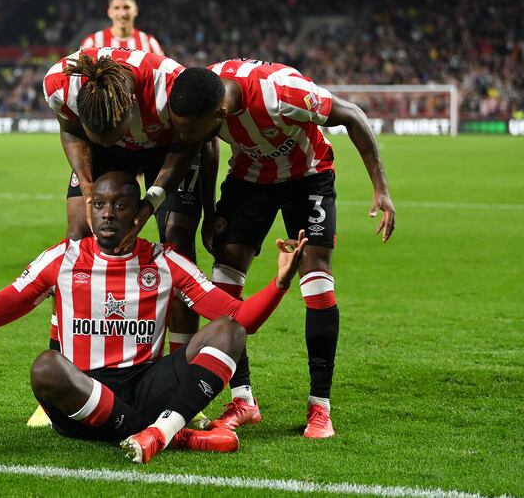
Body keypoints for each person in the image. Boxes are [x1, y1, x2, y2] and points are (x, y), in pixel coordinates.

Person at [0, 171, 307, 464]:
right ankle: (172, 432)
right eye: (100, 204)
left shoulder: (164, 261)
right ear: (89, 210)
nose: (108, 213)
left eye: (120, 205)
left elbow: (240, 318)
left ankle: (158, 434)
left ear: (138, 213)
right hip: (84, 396)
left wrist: (281, 282)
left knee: (228, 333)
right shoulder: (62, 259)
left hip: (146, 384)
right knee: (46, 368)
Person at [167, 60, 397, 438]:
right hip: (248, 179)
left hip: (307, 177)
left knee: (317, 281)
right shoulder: (200, 89)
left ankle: (319, 408)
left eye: (194, 130)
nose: (187, 136)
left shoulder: (280, 92)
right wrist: (209, 213)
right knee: (222, 282)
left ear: (220, 113)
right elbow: (204, 149)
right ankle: (242, 401)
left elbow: (352, 115)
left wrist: (381, 187)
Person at [33, 48, 219, 428]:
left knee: (178, 238)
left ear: (130, 108)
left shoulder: (169, 85)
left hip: (167, 147)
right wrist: (87, 188)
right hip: (101, 152)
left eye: (117, 133)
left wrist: (151, 203)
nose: (117, 141)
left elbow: (190, 143)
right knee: (76, 238)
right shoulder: (59, 84)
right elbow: (70, 130)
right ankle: (67, 374)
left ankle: (182, 383)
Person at [79, 0, 164, 55]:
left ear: (136, 10)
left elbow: (165, 74)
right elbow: (78, 75)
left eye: (126, 7)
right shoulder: (92, 43)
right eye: (116, 8)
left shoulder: (149, 43)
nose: (122, 13)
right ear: (109, 12)